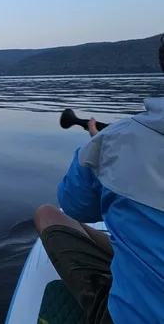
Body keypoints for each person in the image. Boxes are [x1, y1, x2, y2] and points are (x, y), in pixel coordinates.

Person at [33, 35, 164, 324]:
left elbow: (74, 205)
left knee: (48, 214)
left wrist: (103, 149)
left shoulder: (113, 142)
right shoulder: (115, 140)